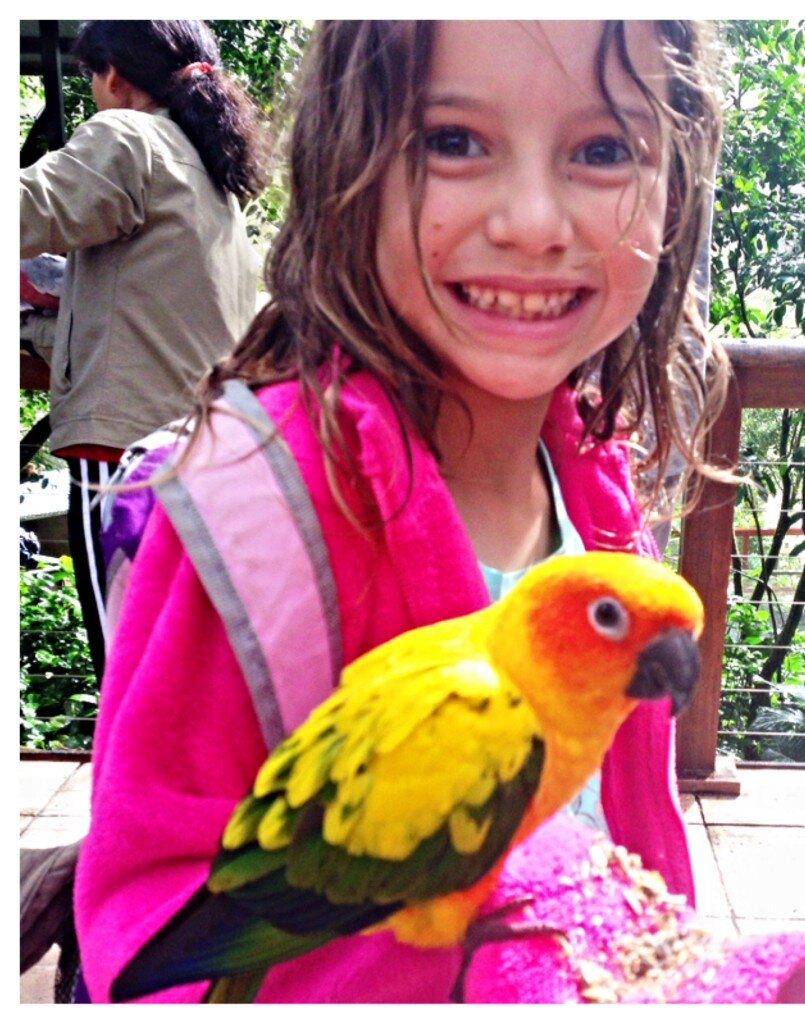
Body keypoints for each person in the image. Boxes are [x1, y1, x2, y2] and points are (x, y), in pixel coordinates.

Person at [76, 20, 735, 1002]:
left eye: (602, 150)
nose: (531, 221)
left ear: (676, 191)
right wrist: (507, 967)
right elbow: (146, 918)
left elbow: (619, 837)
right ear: (348, 168)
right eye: (454, 140)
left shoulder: (601, 498)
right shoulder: (250, 510)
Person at [19, 20, 267, 680]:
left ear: (115, 77)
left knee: (129, 675)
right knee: (187, 676)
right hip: (207, 453)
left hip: (124, 454)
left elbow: (24, 208)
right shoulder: (213, 181)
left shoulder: (128, 134)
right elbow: (136, 322)